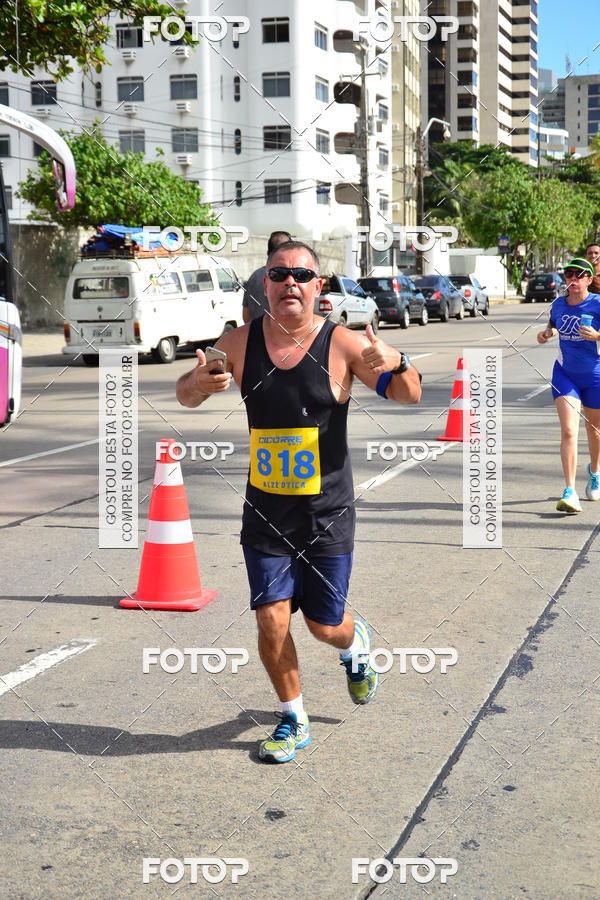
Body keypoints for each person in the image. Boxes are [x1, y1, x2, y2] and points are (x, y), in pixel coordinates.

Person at [176, 240, 421, 762]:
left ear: (318, 286)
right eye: (279, 274)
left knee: (323, 625)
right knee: (271, 619)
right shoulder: (238, 343)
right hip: (266, 514)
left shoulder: (343, 344)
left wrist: (399, 362)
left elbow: (409, 395)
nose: (290, 282)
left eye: (302, 275)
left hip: (327, 515)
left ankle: (355, 646)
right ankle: (293, 718)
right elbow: (188, 393)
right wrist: (196, 382)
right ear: (265, 284)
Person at [537, 257, 600, 513]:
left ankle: (594, 472)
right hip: (565, 375)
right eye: (569, 274)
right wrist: (546, 334)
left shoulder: (597, 304)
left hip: (595, 376)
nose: (573, 278)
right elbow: (552, 327)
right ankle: (570, 491)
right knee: (568, 430)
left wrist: (597, 335)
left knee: (594, 430)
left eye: (578, 274)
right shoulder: (558, 304)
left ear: (589, 279)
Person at [242, 230, 291, 323]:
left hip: (255, 330)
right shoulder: (293, 278)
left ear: (268, 253)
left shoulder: (254, 277)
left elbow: (245, 316)